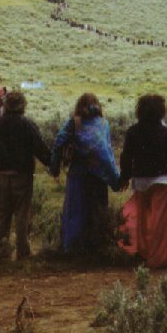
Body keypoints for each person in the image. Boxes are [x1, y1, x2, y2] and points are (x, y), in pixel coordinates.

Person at [50, 93, 119, 254]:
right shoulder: (103, 124)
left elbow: (59, 143)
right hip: (98, 177)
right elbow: (107, 153)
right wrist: (115, 180)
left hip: (77, 175)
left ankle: (73, 248)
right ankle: (98, 247)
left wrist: (55, 168)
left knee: (75, 211)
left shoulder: (74, 123)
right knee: (98, 210)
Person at [0, 90, 51, 259]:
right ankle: (23, 250)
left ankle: (1, 248)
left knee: (3, 212)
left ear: (5, 105)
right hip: (22, 174)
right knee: (22, 213)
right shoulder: (27, 124)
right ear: (23, 105)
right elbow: (39, 147)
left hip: (2, 174)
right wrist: (52, 164)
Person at [118, 94, 167, 270]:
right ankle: (158, 259)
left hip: (140, 181)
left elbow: (126, 157)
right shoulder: (165, 132)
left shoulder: (133, 131)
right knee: (160, 222)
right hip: (162, 181)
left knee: (143, 221)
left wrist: (125, 177)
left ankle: (143, 254)